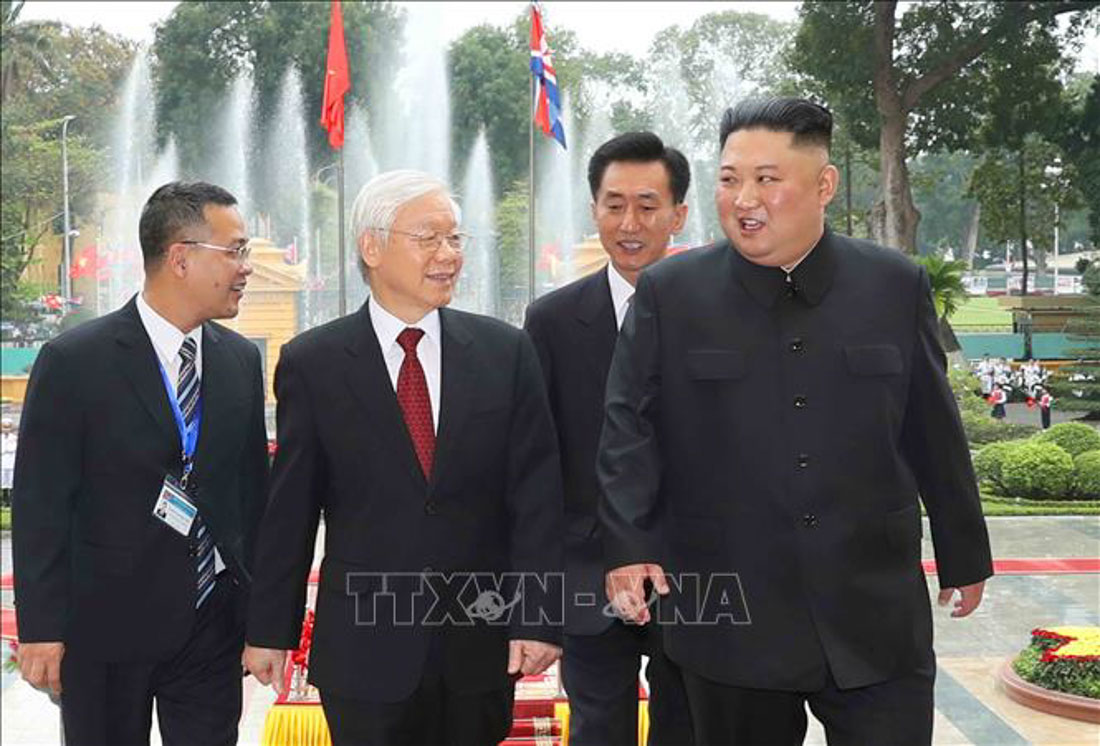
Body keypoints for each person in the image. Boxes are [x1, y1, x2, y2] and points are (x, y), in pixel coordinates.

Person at [597, 98, 993, 745]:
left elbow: (931, 427)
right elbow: (627, 432)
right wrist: (630, 548)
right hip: (729, 616)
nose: (743, 198)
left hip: (872, 609)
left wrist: (963, 551)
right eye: (729, 179)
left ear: (824, 185)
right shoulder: (673, 295)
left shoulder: (893, 286)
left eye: (767, 179)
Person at [243, 170, 565, 745]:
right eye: (428, 238)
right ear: (372, 247)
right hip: (365, 650)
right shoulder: (313, 363)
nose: (448, 255)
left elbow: (537, 499)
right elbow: (291, 509)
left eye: (455, 239)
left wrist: (538, 618)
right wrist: (271, 630)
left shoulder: (505, 352)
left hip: (478, 642)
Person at [12, 181, 270, 745]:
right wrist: (41, 629)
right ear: (180, 257)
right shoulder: (75, 361)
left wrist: (262, 620)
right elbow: (40, 504)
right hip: (103, 627)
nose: (246, 267)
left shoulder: (239, 361)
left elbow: (254, 499)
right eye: (236, 251)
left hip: (211, 624)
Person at [524, 132, 694, 746]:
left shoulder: (719, 314)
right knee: (597, 729)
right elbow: (537, 463)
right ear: (593, 209)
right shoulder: (550, 321)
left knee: (692, 727)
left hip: (696, 578)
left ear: (678, 214)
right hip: (587, 575)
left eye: (648, 206)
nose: (630, 223)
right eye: (613, 204)